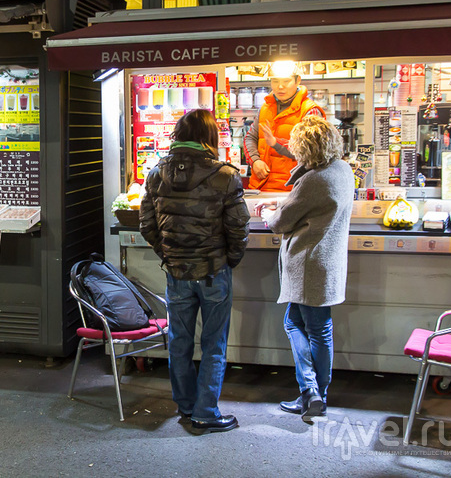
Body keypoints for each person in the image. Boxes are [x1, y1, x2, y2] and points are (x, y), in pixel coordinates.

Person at [139, 109, 250, 434]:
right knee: (214, 343)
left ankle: (186, 406)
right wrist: (230, 259)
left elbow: (147, 224)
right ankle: (205, 412)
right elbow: (239, 227)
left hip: (177, 273)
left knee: (179, 341)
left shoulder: (157, 173)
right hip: (214, 272)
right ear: (208, 137)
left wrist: (170, 254)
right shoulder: (225, 175)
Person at [254, 115, 354, 419]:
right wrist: (283, 204)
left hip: (309, 263)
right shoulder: (342, 170)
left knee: (304, 325)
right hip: (329, 261)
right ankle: (316, 394)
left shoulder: (313, 179)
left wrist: (269, 214)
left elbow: (281, 223)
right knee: (316, 327)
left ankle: (311, 390)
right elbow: (310, 205)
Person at [245, 60, 325, 191]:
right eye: (275, 81)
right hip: (260, 188)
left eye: (286, 81)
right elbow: (250, 137)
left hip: (293, 190)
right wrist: (255, 161)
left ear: (297, 80)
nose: (280, 86)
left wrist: (276, 143)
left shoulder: (310, 111)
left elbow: (311, 152)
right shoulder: (265, 108)